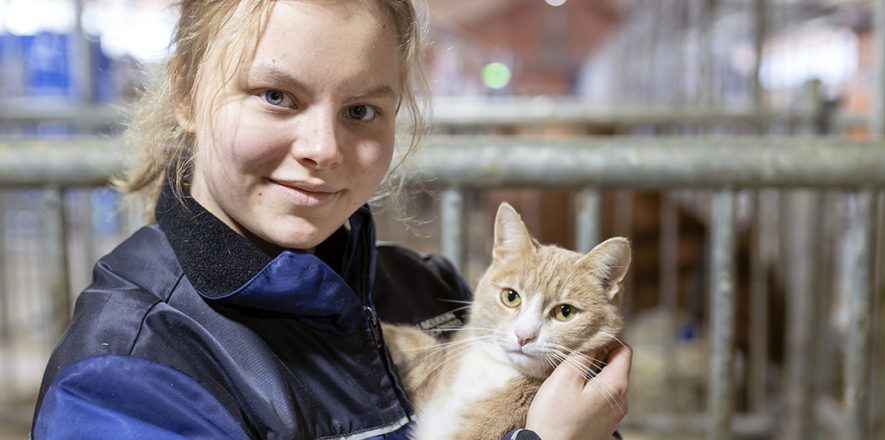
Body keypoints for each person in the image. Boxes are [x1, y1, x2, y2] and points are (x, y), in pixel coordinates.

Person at [31, 0, 631, 438]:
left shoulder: (430, 290)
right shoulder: (127, 377)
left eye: (361, 109)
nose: (323, 148)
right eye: (276, 95)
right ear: (186, 92)